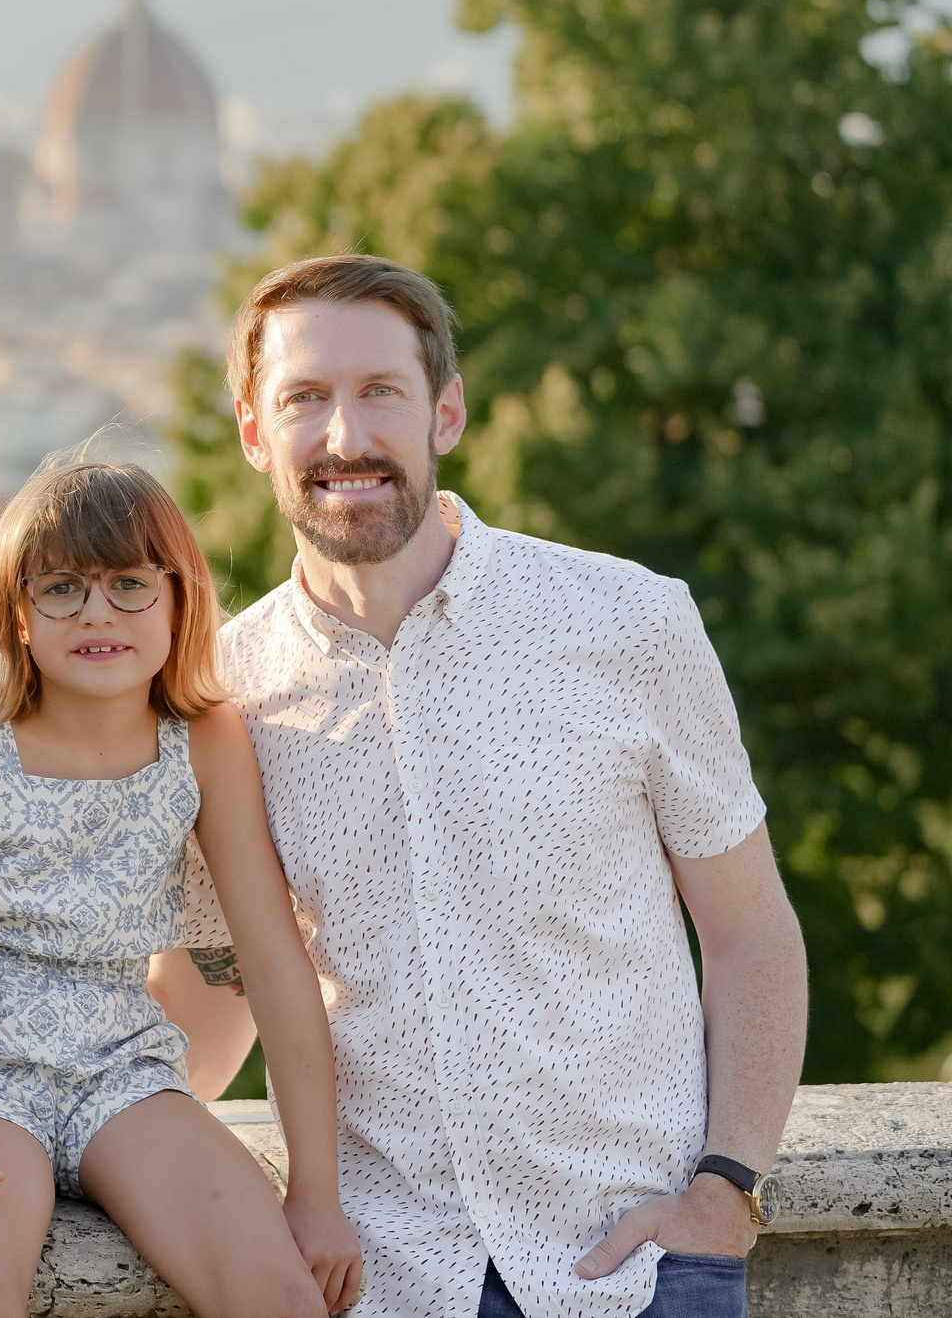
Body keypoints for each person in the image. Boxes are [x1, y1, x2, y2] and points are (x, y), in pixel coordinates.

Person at [172, 253, 809, 1318]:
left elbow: (751, 934)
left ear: (447, 414)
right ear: (251, 432)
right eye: (304, 400)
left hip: (636, 1271)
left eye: (381, 392)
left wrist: (727, 1195)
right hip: (382, 1283)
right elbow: (213, 994)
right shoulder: (222, 700)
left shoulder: (629, 623)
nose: (344, 438)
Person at [0, 457, 361, 1318]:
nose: (97, 611)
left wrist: (317, 1190)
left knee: (281, 1296)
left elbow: (275, 964)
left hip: (126, 1071)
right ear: (18, 614)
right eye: (62, 588)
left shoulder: (205, 742)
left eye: (130, 584)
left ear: (180, 601)